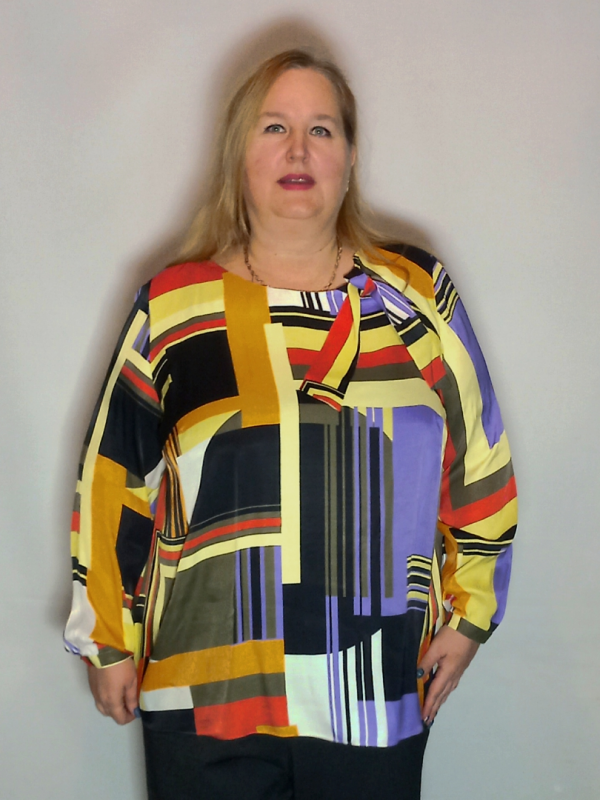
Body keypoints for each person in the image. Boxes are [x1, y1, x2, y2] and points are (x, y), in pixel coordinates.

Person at [64, 49, 517, 800]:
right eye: (274, 127)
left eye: (322, 129)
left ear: (350, 155)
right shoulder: (175, 307)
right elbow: (114, 478)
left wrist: (472, 615)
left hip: (371, 687)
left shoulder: (416, 295)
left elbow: (479, 457)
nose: (299, 150)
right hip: (206, 691)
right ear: (239, 152)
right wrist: (105, 636)